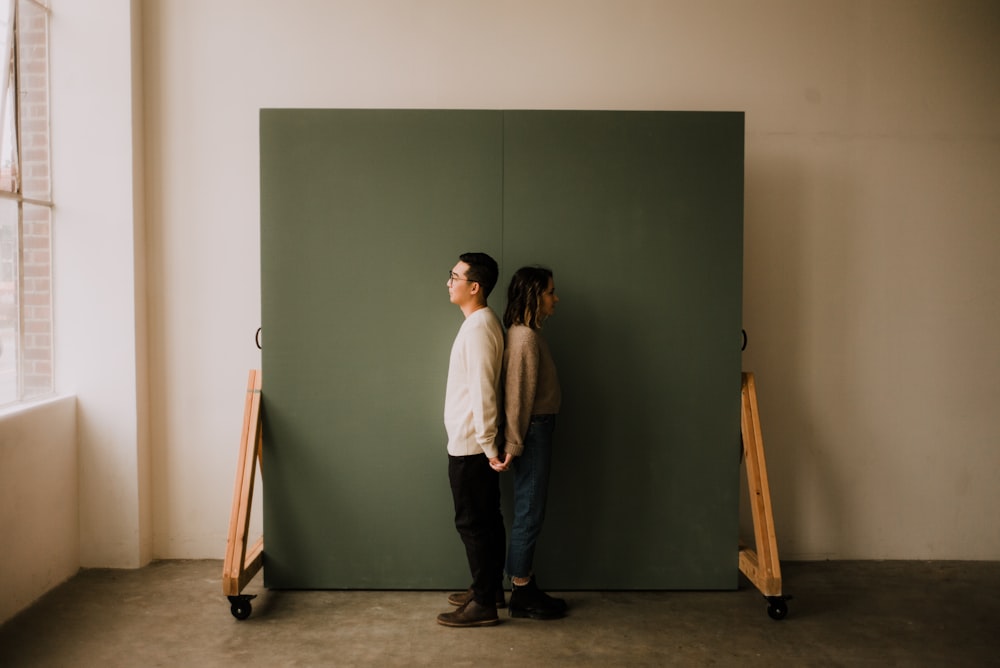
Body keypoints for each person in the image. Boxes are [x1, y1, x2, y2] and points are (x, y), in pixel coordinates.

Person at [436, 252, 508, 628]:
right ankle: (489, 589)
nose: (449, 282)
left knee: (473, 524)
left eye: (455, 276)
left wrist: (487, 444)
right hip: (472, 443)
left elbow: (483, 392)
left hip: (471, 446)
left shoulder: (480, 327)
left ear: (474, 286)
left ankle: (484, 603)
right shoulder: (479, 323)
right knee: (486, 520)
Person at [492, 265, 567, 619]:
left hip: (536, 430)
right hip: (533, 432)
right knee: (529, 510)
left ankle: (524, 582)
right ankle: (521, 590)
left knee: (530, 507)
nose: (556, 298)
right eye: (550, 292)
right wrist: (514, 444)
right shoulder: (524, 338)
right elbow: (517, 397)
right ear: (535, 295)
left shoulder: (527, 335)